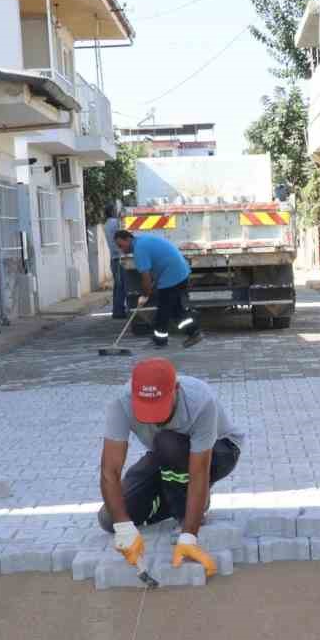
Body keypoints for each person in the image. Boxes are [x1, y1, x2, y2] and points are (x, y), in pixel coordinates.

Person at [97, 358, 243, 576]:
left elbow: (198, 472)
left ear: (176, 389)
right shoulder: (121, 402)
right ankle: (175, 495)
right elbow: (110, 470)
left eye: (159, 409)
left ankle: (190, 508)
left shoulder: (201, 401)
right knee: (109, 518)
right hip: (165, 454)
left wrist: (189, 535)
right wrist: (124, 527)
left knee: (167, 442)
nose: (155, 419)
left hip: (219, 451)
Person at [112, 228, 203, 348]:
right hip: (179, 272)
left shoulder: (139, 250)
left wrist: (145, 296)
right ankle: (193, 333)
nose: (121, 250)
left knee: (163, 311)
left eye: (121, 245)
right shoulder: (142, 241)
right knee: (175, 310)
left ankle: (160, 341)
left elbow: (146, 278)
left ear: (128, 239)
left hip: (172, 276)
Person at [105, 204, 128, 319]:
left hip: (114, 259)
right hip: (119, 258)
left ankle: (117, 310)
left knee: (118, 286)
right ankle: (119, 312)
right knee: (122, 286)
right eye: (115, 210)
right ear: (113, 211)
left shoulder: (107, 224)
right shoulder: (114, 223)